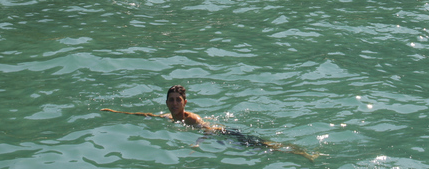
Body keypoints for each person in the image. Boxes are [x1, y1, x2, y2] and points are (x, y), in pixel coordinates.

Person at [101, 85, 318, 160]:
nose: (175, 104)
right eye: (171, 100)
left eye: (179, 100)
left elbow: (206, 130)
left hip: (225, 133)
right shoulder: (168, 116)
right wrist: (117, 111)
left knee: (264, 146)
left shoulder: (191, 118)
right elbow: (147, 115)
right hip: (218, 136)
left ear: (185, 103)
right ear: (166, 103)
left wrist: (197, 144)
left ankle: (302, 153)